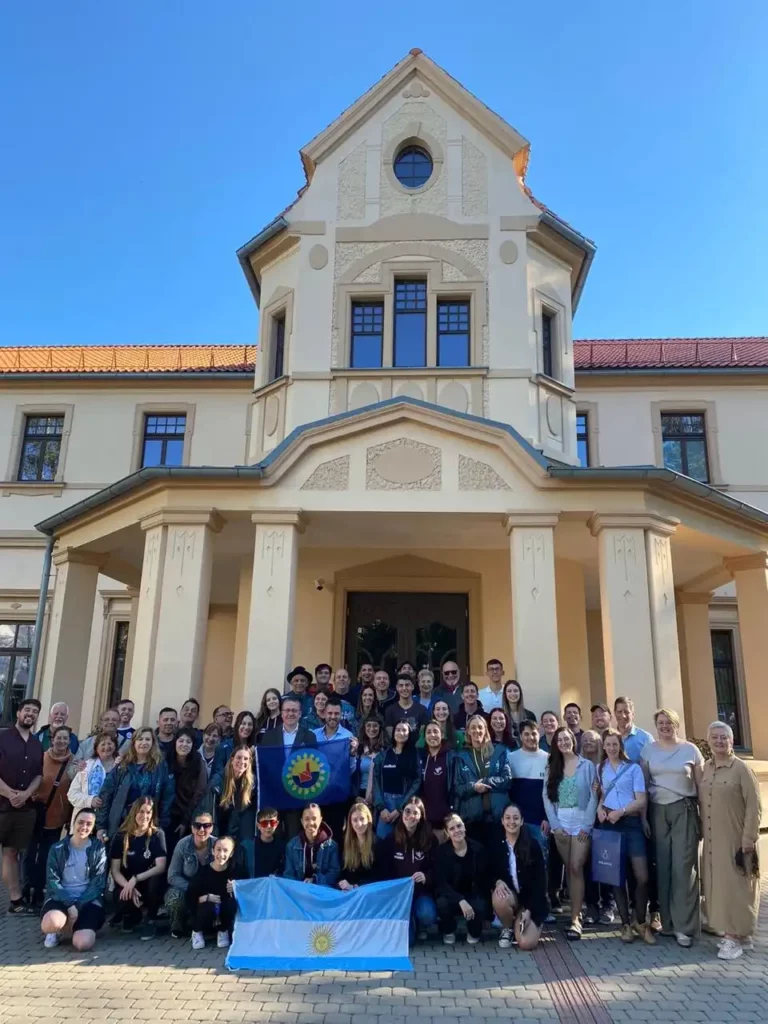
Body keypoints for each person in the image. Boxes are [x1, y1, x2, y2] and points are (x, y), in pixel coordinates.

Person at [641, 707, 704, 947]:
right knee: (663, 868)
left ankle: (684, 927)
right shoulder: (649, 750)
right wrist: (644, 818)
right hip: (657, 810)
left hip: (683, 809)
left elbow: (701, 787)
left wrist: (703, 819)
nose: (665, 726)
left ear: (676, 724)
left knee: (683, 868)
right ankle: (667, 923)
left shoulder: (690, 750)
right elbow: (644, 787)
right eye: (660, 723)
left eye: (669, 722)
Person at [699, 721, 761, 961]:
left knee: (737, 888)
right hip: (714, 839)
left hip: (736, 838)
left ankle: (734, 938)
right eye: (714, 737)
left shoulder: (742, 769)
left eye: (723, 737)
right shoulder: (706, 767)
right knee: (719, 888)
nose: (719, 741)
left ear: (731, 740)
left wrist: (748, 839)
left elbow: (754, 807)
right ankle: (739, 935)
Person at [597, 729, 654, 945]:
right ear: (604, 746)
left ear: (621, 746)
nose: (611, 748)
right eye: (608, 744)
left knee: (642, 876)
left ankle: (641, 920)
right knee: (616, 876)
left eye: (615, 744)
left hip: (629, 823)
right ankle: (625, 925)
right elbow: (602, 795)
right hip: (610, 824)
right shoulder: (600, 768)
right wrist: (600, 810)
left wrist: (620, 811)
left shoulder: (633, 769)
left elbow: (640, 799)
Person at [543, 727, 597, 940]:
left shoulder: (587, 765)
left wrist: (587, 825)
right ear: (556, 744)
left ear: (573, 741)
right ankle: (576, 912)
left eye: (567, 739)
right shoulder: (552, 767)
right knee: (570, 869)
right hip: (562, 824)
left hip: (582, 822)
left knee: (576, 867)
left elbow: (594, 796)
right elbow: (547, 798)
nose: (564, 742)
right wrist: (555, 825)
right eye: (560, 740)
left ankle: (575, 919)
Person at [40, 809, 108, 951]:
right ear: (73, 823)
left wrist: (78, 906)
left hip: (88, 900)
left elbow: (98, 884)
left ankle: (77, 927)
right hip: (61, 897)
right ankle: (58, 929)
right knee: (49, 924)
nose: (84, 827)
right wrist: (70, 905)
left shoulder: (98, 849)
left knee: (82, 944)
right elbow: (53, 882)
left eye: (89, 824)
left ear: (93, 827)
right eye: (80, 822)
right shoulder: (57, 848)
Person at [24, 724, 75, 909]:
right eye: (58, 738)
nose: (61, 741)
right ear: (51, 739)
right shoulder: (40, 758)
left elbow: (75, 790)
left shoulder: (75, 763)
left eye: (65, 738)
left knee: (46, 855)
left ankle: (39, 891)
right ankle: (26, 888)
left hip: (57, 817)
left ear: (70, 741)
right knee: (29, 855)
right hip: (35, 814)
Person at [0, 698, 43, 913]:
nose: (31, 714)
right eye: (27, 710)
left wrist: (25, 795)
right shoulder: (3, 737)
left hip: (23, 808)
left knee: (11, 853)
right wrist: (10, 794)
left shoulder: (37, 744)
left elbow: (38, 776)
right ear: (18, 713)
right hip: (2, 804)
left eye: (35, 712)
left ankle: (16, 901)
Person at [377, 796, 438, 941]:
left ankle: (420, 922)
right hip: (399, 895)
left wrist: (426, 877)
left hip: (420, 893)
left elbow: (438, 869)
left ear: (421, 817)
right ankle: (409, 922)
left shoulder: (430, 840)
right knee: (407, 941)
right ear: (402, 813)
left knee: (427, 914)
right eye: (407, 811)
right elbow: (384, 872)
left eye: (415, 813)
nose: (411, 816)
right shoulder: (390, 839)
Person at [96, 727, 173, 839]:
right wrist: (101, 825)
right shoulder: (123, 765)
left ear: (153, 743)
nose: (143, 743)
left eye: (147, 739)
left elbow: (167, 796)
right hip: (121, 822)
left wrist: (162, 824)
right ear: (134, 742)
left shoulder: (160, 766)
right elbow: (106, 794)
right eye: (140, 739)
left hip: (148, 823)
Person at [490, 803, 549, 951]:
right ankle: (508, 928)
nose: (512, 822)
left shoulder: (532, 845)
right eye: (508, 818)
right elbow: (486, 872)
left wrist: (529, 909)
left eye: (516, 818)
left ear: (522, 821)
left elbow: (540, 882)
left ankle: (527, 922)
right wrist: (497, 882)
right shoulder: (496, 844)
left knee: (526, 944)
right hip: (512, 898)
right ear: (502, 821)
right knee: (499, 896)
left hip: (531, 902)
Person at [109, 796, 167, 939]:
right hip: (126, 883)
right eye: (141, 812)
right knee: (123, 898)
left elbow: (161, 866)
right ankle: (131, 916)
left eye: (148, 812)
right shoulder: (120, 836)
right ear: (134, 812)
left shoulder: (157, 834)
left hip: (146, 884)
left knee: (156, 879)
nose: (145, 816)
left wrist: (136, 879)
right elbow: (115, 871)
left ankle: (151, 919)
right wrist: (129, 886)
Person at [454, 715, 512, 844]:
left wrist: (486, 782)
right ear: (468, 731)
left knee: (498, 859)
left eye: (480, 727)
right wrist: (473, 787)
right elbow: (457, 788)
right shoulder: (461, 757)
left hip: (498, 818)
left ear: (486, 730)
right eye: (473, 728)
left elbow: (507, 780)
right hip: (472, 819)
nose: (477, 731)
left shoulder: (499, 752)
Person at [435, 812, 489, 945]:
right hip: (451, 896)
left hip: (473, 894)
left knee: (480, 906)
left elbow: (484, 879)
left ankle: (474, 930)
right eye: (452, 829)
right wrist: (460, 900)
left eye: (459, 826)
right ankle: (449, 930)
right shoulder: (441, 852)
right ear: (447, 833)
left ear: (464, 827)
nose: (457, 831)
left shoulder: (478, 849)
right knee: (442, 903)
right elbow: (441, 883)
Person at [164, 810, 216, 937]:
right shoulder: (182, 845)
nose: (202, 830)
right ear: (192, 828)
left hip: (210, 889)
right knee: (174, 896)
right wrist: (192, 888)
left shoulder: (217, 845)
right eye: (198, 826)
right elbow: (172, 876)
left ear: (212, 827)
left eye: (206, 825)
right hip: (186, 888)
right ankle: (177, 924)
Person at [187, 835, 243, 950]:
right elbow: (189, 897)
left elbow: (246, 892)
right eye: (218, 850)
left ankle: (223, 930)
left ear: (231, 853)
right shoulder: (203, 872)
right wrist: (206, 897)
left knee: (231, 903)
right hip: (205, 914)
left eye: (226, 850)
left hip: (224, 915)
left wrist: (236, 888)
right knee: (208, 905)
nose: (221, 854)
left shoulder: (237, 870)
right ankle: (197, 932)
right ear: (213, 851)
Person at [373, 721, 421, 839]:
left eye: (404, 730)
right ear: (394, 733)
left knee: (404, 840)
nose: (401, 733)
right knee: (383, 841)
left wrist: (401, 808)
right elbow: (376, 781)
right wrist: (381, 807)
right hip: (385, 803)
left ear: (409, 734)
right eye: (398, 730)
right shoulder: (383, 756)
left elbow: (417, 782)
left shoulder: (414, 755)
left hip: (404, 803)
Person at [508, 721, 550, 855]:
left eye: (534, 733)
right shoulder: (511, 758)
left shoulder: (548, 758)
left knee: (541, 862)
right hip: (516, 822)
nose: (531, 737)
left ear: (539, 734)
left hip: (540, 823)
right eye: (526, 734)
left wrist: (547, 818)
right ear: (520, 736)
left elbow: (552, 792)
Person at [167, 727, 208, 856]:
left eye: (188, 742)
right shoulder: (166, 760)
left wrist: (186, 821)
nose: (184, 745)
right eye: (181, 741)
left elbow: (199, 793)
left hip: (188, 815)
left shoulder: (199, 763)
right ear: (175, 742)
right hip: (166, 815)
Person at [216, 747, 256, 872]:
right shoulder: (220, 779)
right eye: (239, 757)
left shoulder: (252, 783)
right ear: (232, 759)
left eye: (246, 759)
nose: (242, 761)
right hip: (222, 826)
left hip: (242, 829)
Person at [68, 730, 118, 828]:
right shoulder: (87, 766)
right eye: (103, 744)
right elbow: (72, 794)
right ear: (96, 748)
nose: (106, 747)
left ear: (115, 746)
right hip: (86, 820)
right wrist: (90, 800)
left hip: (110, 821)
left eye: (109, 743)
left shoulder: (121, 767)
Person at [284, 804, 340, 886]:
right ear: (302, 821)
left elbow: (334, 874)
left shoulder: (332, 846)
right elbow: (288, 875)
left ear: (320, 820)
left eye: (314, 818)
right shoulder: (291, 846)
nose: (311, 823)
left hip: (322, 892)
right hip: (299, 893)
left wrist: (315, 880)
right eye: (307, 819)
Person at [419, 720, 457, 841]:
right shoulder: (421, 758)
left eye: (435, 731)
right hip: (426, 821)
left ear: (442, 735)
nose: (432, 735)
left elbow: (456, 786)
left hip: (446, 821)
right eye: (428, 732)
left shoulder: (451, 757)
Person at [338, 801, 378, 889]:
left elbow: (378, 877)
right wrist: (342, 885)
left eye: (362, 819)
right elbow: (342, 873)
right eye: (355, 820)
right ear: (350, 823)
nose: (359, 824)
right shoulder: (345, 843)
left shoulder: (378, 844)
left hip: (369, 893)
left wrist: (355, 887)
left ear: (368, 820)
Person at [354, 717, 385, 801]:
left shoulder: (385, 750)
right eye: (368, 725)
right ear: (364, 728)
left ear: (380, 728)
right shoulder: (359, 749)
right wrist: (356, 796)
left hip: (380, 795)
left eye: (375, 726)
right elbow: (353, 775)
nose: (371, 729)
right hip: (360, 794)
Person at [614, 697, 653, 763]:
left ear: (633, 714)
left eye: (626, 712)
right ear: (615, 713)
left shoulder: (645, 738)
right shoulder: (609, 737)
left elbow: (652, 764)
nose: (623, 715)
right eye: (619, 712)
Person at [253, 807, 286, 878]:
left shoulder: (283, 847)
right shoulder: (251, 846)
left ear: (276, 824)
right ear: (258, 826)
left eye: (272, 822)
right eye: (264, 823)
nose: (268, 826)